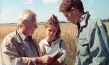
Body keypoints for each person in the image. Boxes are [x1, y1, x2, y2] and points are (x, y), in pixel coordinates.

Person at [59, 0, 109, 65]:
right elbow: (79, 56)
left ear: (73, 10)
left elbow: (101, 60)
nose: (67, 20)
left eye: (67, 16)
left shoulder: (94, 25)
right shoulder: (80, 26)